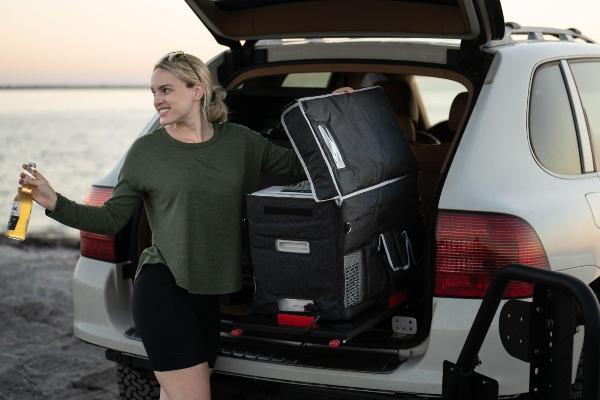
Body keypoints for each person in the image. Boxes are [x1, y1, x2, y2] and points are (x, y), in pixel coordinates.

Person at [17, 51, 341, 400]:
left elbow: (302, 165)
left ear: (198, 90)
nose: (157, 100)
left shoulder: (241, 142)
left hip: (208, 295)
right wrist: (52, 200)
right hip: (163, 288)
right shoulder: (146, 152)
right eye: (153, 92)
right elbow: (109, 220)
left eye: (166, 90)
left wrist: (331, 115)